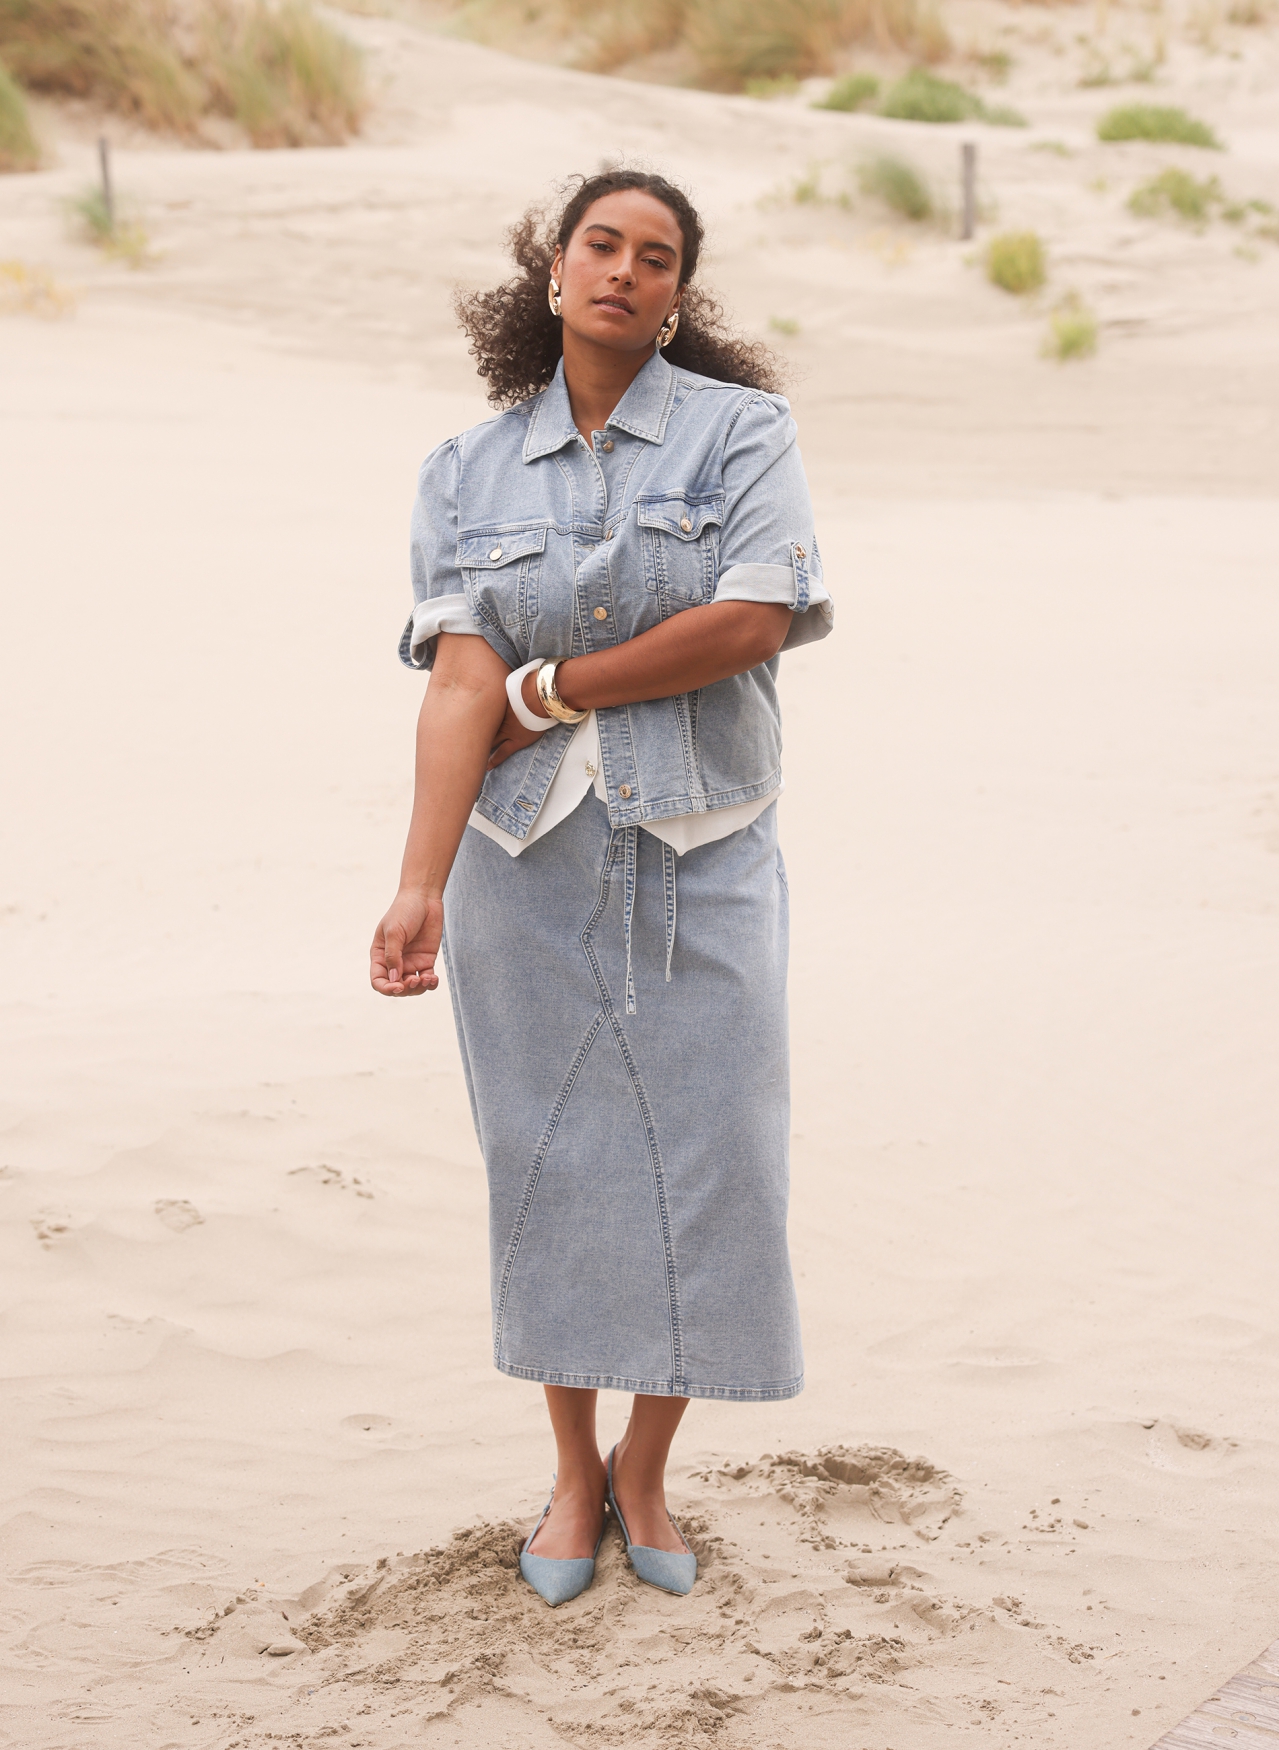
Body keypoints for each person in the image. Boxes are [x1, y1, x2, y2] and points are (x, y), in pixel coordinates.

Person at [370, 169, 833, 1607]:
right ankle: (576, 1472)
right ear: (555, 270)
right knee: (552, 1164)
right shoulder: (465, 470)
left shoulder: (743, 431)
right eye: (602, 244)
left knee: (718, 1158)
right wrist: (418, 886)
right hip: (523, 865)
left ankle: (650, 1465)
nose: (626, 270)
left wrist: (555, 685)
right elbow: (460, 687)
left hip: (705, 852)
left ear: (679, 295)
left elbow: (751, 617)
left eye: (658, 256)